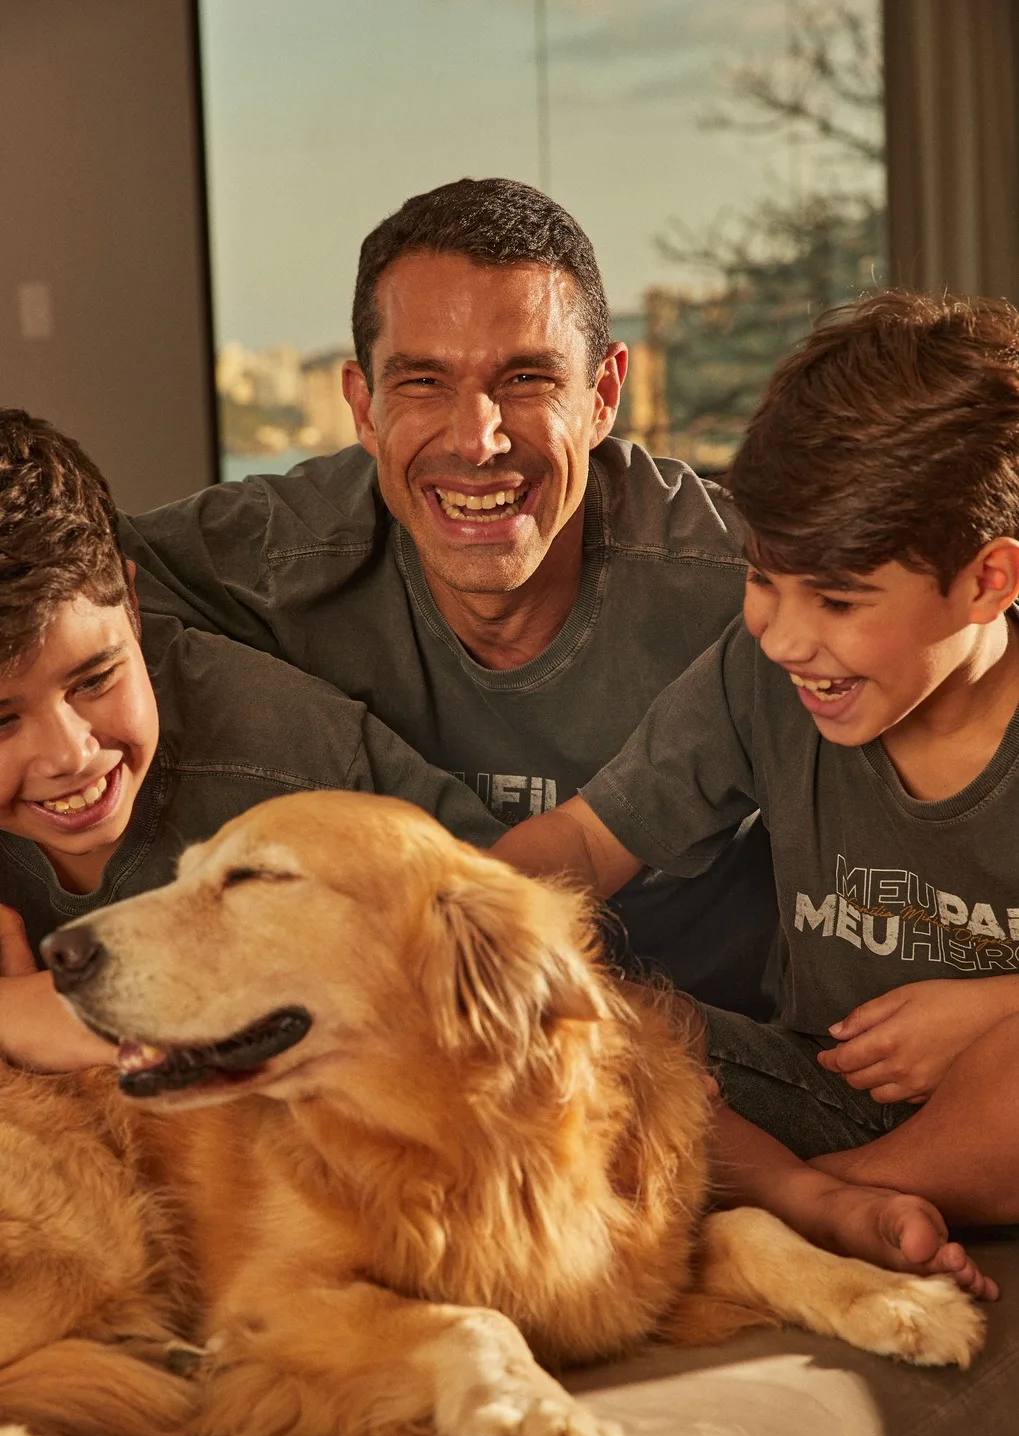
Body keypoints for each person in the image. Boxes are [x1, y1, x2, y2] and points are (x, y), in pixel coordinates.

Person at [118, 176, 778, 1022]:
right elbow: (45, 587)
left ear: (603, 396)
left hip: (702, 1042)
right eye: (422, 382)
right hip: (396, 1025)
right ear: (362, 405)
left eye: (527, 379)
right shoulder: (277, 554)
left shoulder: (745, 579)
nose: (476, 439)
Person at [491, 289, 1019, 1300]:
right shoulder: (760, 673)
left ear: (987, 580)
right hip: (809, 1085)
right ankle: (811, 1200)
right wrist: (448, 923)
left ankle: (805, 1199)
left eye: (836, 599)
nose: (781, 633)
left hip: (993, 1106)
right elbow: (587, 841)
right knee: (587, 1013)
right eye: (762, 578)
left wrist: (992, 1009)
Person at [0, 409, 502, 1070]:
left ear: (131, 601)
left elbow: (512, 927)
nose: (70, 755)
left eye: (95, 678)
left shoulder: (288, 754)